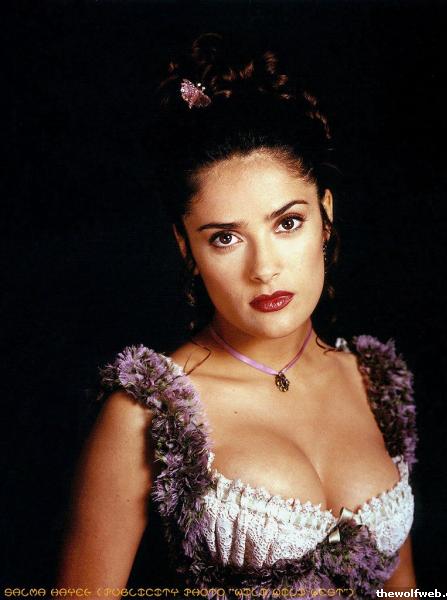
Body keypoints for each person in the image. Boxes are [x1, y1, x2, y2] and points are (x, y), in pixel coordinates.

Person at [57, 33, 418, 599]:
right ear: (186, 247)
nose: (264, 269)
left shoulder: (376, 382)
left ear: (325, 215)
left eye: (288, 223)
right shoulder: (148, 412)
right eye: (225, 237)